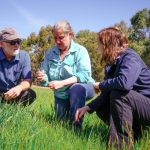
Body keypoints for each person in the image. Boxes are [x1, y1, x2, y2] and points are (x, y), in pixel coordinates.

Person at [75, 27, 150, 148]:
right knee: (102, 105)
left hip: (147, 105)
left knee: (119, 94)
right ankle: (135, 135)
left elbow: (125, 83)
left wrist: (101, 85)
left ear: (108, 44)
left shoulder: (130, 57)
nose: (98, 48)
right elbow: (106, 93)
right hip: (139, 107)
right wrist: (87, 107)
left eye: (100, 44)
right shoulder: (111, 64)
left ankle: (119, 145)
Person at [36, 20, 95, 129]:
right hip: (61, 94)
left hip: (84, 87)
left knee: (76, 89)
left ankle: (76, 130)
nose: (57, 41)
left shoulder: (80, 51)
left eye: (61, 37)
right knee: (60, 124)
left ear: (70, 35)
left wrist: (62, 83)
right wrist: (43, 77)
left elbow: (84, 75)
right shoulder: (50, 53)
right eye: (55, 38)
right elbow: (46, 77)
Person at [0, 27, 36, 106]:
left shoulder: (24, 56)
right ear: (1, 44)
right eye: (12, 42)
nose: (16, 45)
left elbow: (28, 80)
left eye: (18, 41)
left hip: (15, 93)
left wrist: (19, 88)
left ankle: (14, 109)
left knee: (31, 94)